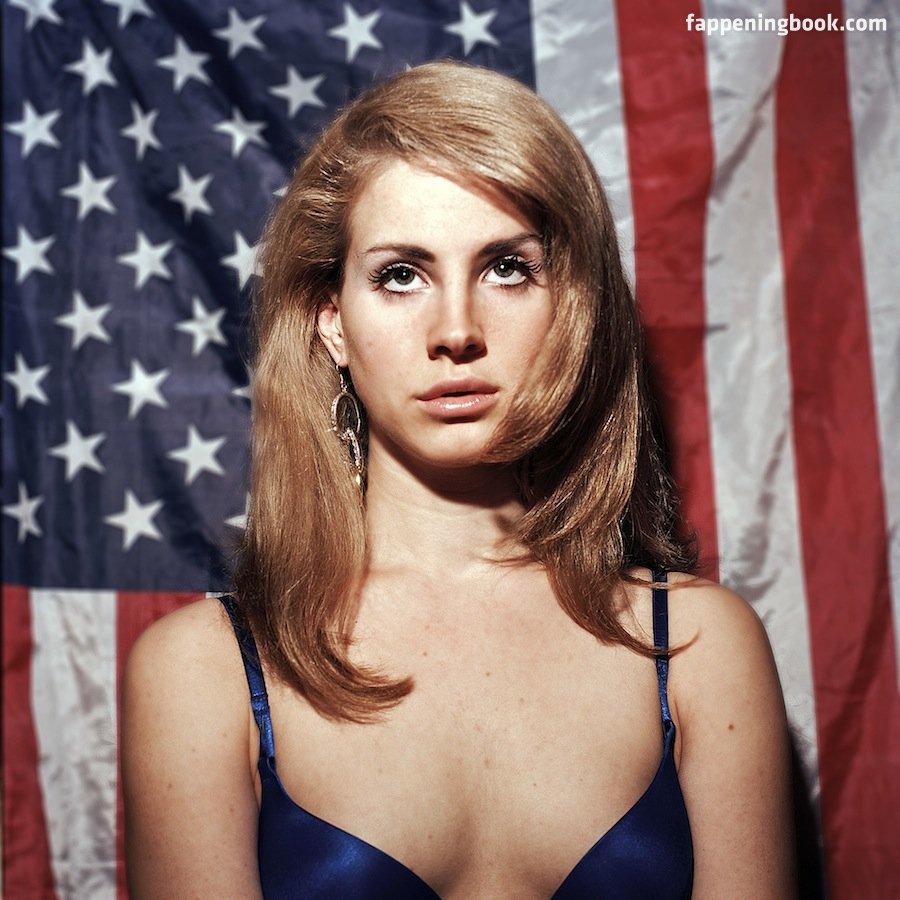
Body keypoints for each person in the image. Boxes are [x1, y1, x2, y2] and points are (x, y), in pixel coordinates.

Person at [122, 61, 796, 899]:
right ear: (333, 323)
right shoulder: (201, 673)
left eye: (507, 267)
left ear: (572, 306)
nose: (456, 330)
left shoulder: (700, 647)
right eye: (401, 275)